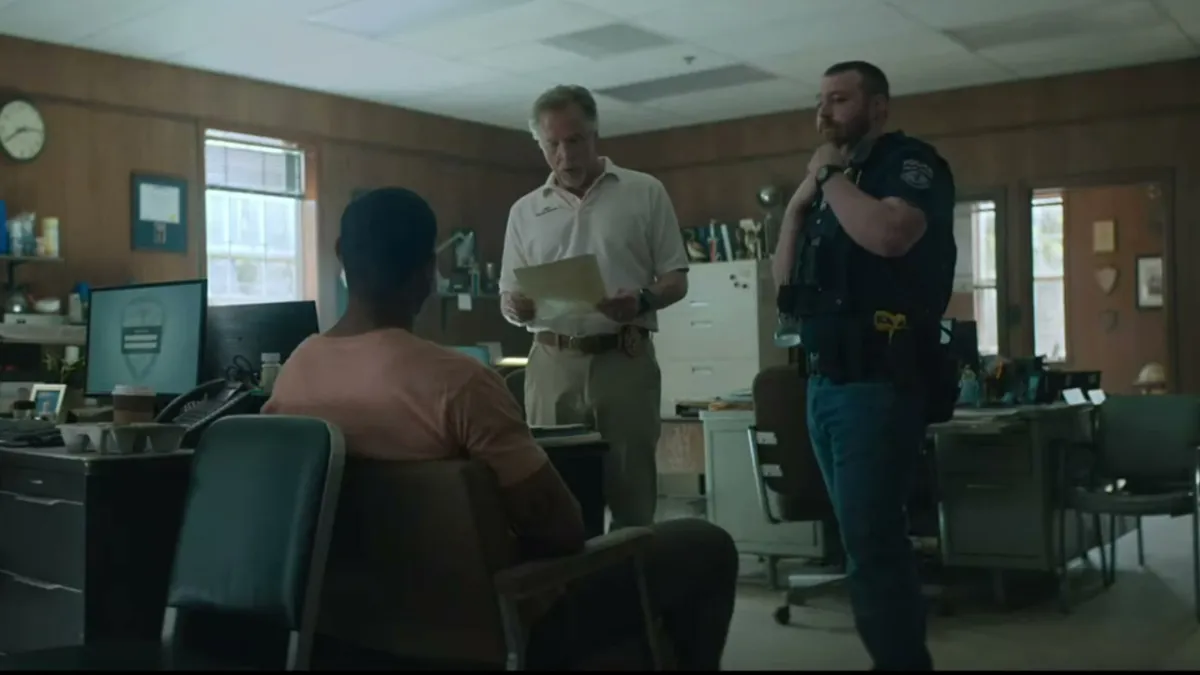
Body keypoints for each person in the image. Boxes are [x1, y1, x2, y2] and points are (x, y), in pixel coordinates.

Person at [264, 188, 737, 670]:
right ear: (430, 270)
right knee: (706, 545)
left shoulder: (295, 373)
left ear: (341, 254)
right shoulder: (461, 384)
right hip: (490, 623)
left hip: (352, 626)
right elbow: (562, 529)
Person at [772, 62, 957, 671]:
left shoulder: (906, 164)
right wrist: (799, 207)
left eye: (840, 99)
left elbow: (889, 236)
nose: (825, 111)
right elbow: (784, 283)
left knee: (873, 543)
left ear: (878, 107)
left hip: (878, 383)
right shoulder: (833, 183)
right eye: (820, 99)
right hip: (824, 384)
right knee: (864, 539)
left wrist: (825, 175)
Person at [498, 85, 691, 530]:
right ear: (540, 144)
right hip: (551, 363)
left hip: (624, 358)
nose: (565, 155)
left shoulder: (643, 192)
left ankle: (632, 595)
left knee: (632, 496)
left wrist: (643, 299)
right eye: (552, 144)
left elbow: (676, 279)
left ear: (595, 133)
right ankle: (572, 598)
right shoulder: (524, 211)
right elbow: (509, 296)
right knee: (556, 499)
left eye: (575, 140)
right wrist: (515, 308)